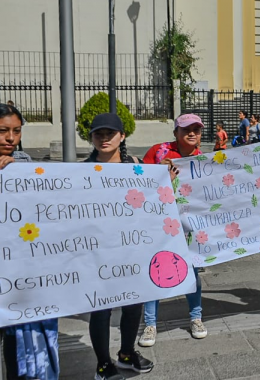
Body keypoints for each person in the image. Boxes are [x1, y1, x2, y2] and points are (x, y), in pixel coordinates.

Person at [83, 113, 155, 379]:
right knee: (101, 308)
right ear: (91, 137)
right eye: (98, 134)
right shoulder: (80, 172)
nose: (104, 139)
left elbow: (153, 198)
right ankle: (103, 364)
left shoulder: (136, 165)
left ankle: (126, 353)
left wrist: (166, 177)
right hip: (98, 253)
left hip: (131, 249)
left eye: (110, 134)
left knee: (134, 304)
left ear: (122, 136)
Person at [0, 103, 60, 380]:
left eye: (16, 131)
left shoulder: (26, 165)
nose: (10, 138)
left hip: (20, 274)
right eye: (3, 131)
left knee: (16, 342)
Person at [139, 114, 208, 347]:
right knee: (156, 269)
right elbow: (140, 186)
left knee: (192, 272)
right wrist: (159, 177)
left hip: (189, 226)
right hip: (159, 223)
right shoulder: (158, 152)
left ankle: (196, 318)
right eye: (186, 129)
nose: (192, 133)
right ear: (176, 133)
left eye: (196, 129)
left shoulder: (204, 159)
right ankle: (150, 324)